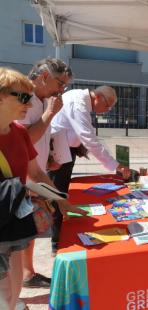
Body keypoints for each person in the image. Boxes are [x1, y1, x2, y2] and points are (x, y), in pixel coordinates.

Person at [0, 67, 86, 310]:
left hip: (14, 225)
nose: (29, 103)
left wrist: (62, 201)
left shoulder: (18, 132)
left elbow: (36, 173)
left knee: (14, 291)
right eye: (23, 97)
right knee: (5, 296)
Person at [49, 86, 130, 253]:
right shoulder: (79, 102)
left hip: (65, 150)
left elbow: (89, 135)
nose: (107, 110)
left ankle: (59, 236)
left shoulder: (83, 102)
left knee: (62, 192)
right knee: (57, 195)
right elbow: (89, 139)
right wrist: (116, 165)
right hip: (57, 151)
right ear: (98, 97)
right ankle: (57, 243)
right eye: (108, 106)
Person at [18, 58, 72, 289]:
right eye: (60, 83)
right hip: (18, 179)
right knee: (17, 235)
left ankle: (28, 274)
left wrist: (48, 156)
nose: (62, 90)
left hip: (35, 173)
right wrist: (50, 113)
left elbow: (35, 140)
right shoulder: (21, 97)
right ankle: (20, 280)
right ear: (44, 77)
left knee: (30, 229)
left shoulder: (42, 99)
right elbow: (25, 138)